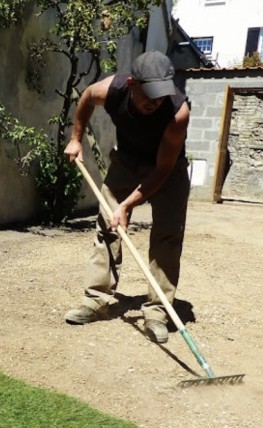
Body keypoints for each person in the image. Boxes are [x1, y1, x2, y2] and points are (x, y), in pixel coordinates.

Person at [63, 51, 190, 344]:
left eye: (161, 95)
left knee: (167, 237)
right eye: (149, 94)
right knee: (107, 227)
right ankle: (96, 299)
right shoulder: (111, 90)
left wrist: (127, 204)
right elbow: (85, 98)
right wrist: (75, 138)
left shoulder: (177, 112)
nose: (155, 102)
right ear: (132, 82)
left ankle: (158, 311)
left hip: (167, 170)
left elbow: (162, 170)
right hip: (127, 161)